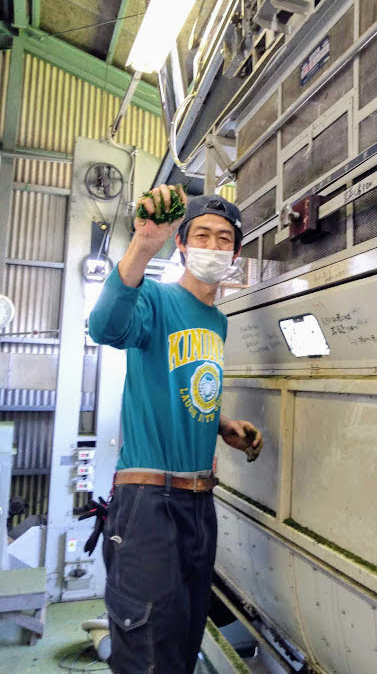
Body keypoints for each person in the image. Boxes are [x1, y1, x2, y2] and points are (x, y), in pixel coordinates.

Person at [88, 185, 263, 674]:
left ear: (235, 253)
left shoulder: (218, 322)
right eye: (201, 235)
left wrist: (222, 425)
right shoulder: (154, 298)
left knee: (182, 646)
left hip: (199, 505)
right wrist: (144, 245)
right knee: (148, 652)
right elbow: (104, 328)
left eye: (224, 238)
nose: (213, 246)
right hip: (149, 503)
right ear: (182, 244)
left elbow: (187, 386)